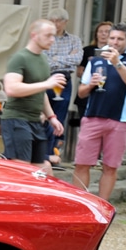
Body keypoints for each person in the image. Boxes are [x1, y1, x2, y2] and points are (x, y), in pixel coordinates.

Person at [73, 23, 126, 200]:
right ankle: (79, 205)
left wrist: (117, 63)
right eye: (112, 38)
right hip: (93, 117)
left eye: (120, 39)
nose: (115, 42)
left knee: (110, 167)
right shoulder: (95, 60)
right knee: (82, 164)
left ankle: (102, 208)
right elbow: (81, 92)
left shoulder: (123, 61)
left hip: (120, 120)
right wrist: (90, 84)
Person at [2, 19, 65, 172]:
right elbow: (11, 88)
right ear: (34, 35)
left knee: (45, 167)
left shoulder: (43, 59)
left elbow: (40, 91)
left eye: (54, 36)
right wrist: (47, 84)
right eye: (48, 35)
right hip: (17, 119)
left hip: (35, 121)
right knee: (22, 169)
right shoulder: (20, 58)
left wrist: (52, 117)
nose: (52, 39)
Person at [44, 8, 82, 157]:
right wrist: (65, 58)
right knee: (45, 115)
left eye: (58, 21)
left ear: (66, 22)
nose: (55, 24)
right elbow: (44, 61)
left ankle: (54, 151)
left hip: (64, 79)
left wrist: (54, 58)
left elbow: (77, 59)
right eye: (52, 21)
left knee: (60, 115)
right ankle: (44, 153)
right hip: (46, 78)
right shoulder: (45, 38)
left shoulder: (74, 40)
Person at [76, 20, 113, 120]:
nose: (103, 34)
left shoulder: (115, 53)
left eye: (107, 31)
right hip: (88, 90)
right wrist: (91, 67)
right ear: (96, 34)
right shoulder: (87, 50)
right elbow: (79, 73)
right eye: (100, 31)